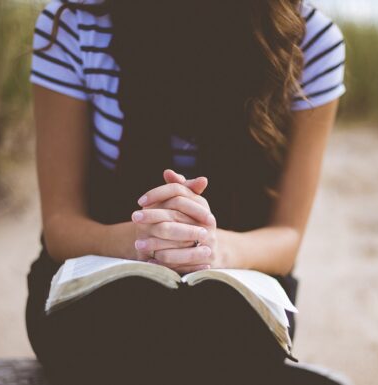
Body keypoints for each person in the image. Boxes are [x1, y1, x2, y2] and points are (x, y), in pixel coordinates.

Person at [25, 0, 347, 384]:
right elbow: (60, 224)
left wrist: (209, 246)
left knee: (222, 343)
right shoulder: (75, 23)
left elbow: (287, 238)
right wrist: (142, 241)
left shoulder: (310, 42)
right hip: (96, 286)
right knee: (120, 339)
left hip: (237, 290)